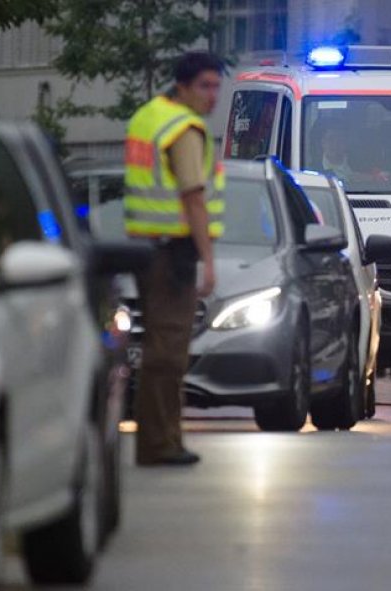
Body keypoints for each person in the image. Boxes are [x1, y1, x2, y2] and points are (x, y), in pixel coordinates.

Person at [123, 51, 227, 466]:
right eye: (205, 86)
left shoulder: (149, 116)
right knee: (169, 353)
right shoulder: (184, 130)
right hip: (174, 253)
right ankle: (160, 443)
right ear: (182, 86)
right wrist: (209, 260)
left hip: (149, 249)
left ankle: (161, 439)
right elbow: (193, 198)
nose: (213, 96)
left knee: (159, 350)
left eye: (217, 86)